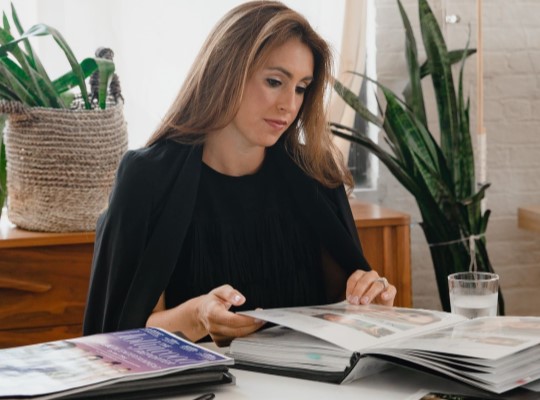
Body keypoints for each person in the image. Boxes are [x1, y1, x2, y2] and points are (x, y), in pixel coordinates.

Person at [83, 0, 397, 347]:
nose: (289, 105)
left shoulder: (316, 177)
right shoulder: (148, 179)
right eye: (275, 81)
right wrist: (196, 316)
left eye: (301, 87)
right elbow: (120, 338)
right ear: (225, 71)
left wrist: (371, 303)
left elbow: (342, 310)